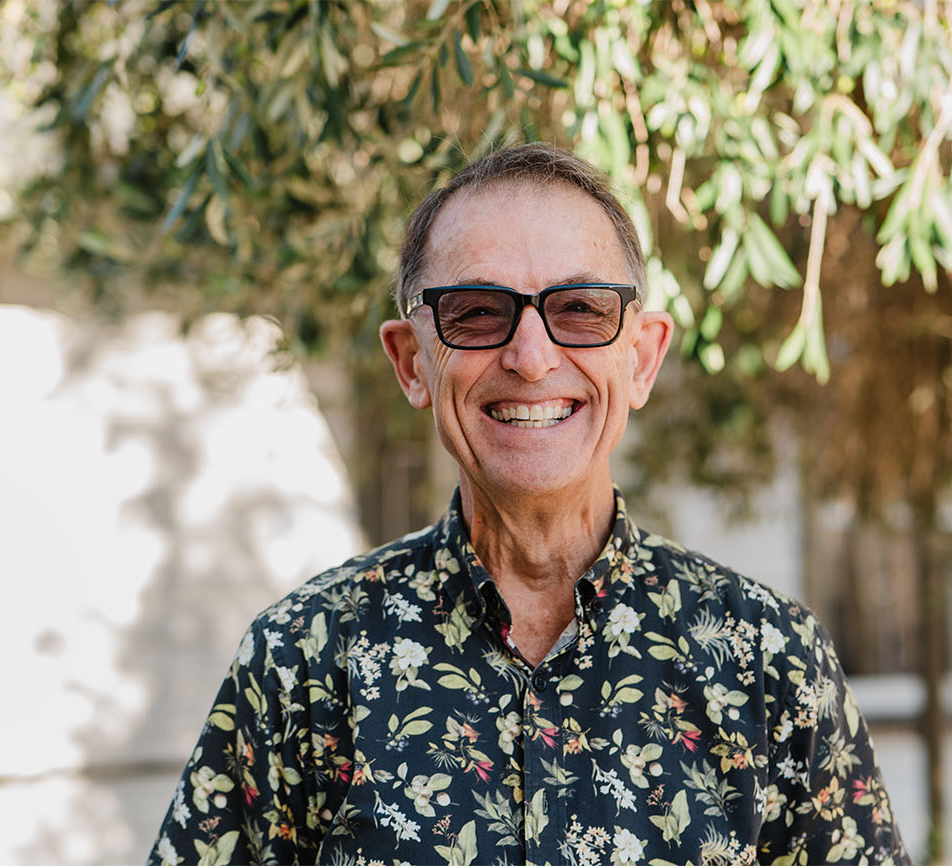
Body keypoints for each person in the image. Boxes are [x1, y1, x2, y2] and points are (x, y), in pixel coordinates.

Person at [149, 143, 910, 866]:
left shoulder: (767, 662)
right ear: (413, 363)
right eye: (477, 312)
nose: (532, 356)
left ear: (641, 358)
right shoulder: (303, 662)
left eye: (579, 308)